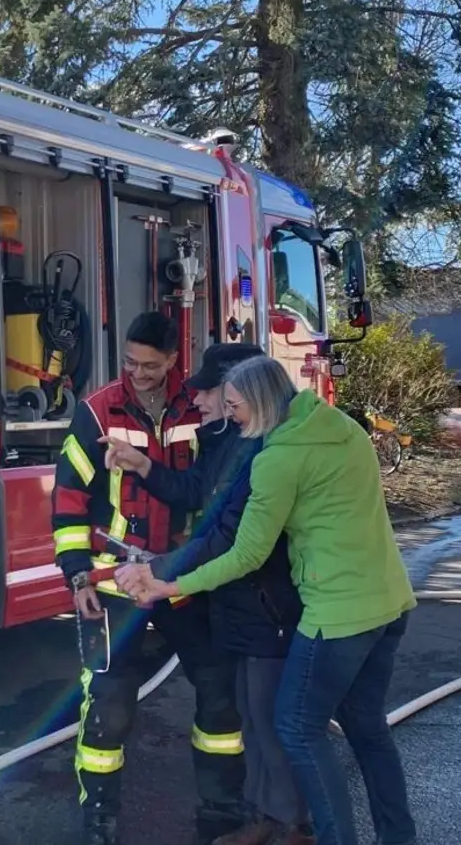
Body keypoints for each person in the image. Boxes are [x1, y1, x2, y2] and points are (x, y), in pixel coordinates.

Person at [118, 356, 419, 845]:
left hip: (336, 616)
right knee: (367, 729)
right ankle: (397, 837)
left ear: (257, 402)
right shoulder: (343, 428)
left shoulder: (279, 459)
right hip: (389, 602)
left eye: (234, 405)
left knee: (298, 729)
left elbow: (245, 553)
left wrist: (169, 585)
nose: (230, 415)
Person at [106, 344, 312, 845]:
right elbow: (196, 492)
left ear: (242, 393)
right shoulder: (227, 439)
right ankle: (265, 817)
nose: (195, 397)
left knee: (271, 723)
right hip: (237, 605)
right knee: (252, 718)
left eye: (209, 390)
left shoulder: (264, 452)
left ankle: (295, 827)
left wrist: (160, 573)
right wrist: (141, 465)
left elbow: (225, 536)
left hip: (267, 606)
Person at [51, 312, 245, 845]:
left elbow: (211, 490)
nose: (137, 373)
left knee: (220, 695)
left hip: (188, 582)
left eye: (150, 365)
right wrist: (77, 577)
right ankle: (98, 821)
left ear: (174, 360)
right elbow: (67, 503)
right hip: (117, 585)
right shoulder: (97, 413)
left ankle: (223, 814)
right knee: (108, 709)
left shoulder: (202, 405)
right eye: (130, 363)